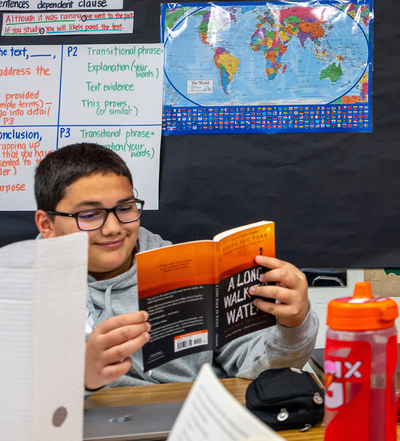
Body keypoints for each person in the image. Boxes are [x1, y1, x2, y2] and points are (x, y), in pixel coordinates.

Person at [34, 143, 318, 392]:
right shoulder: (19, 292)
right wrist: (81, 379)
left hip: (198, 422)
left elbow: (255, 369)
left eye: (125, 208)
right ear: (47, 225)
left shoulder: (184, 269)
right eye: (89, 214)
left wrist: (294, 325)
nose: (113, 228)